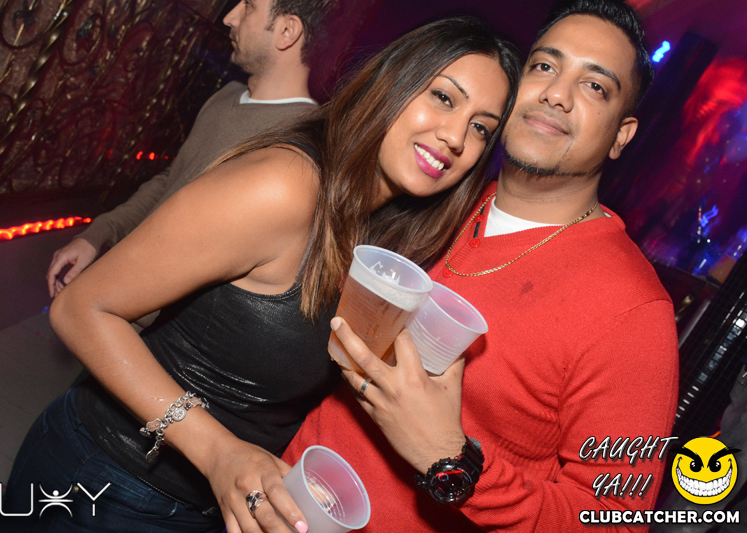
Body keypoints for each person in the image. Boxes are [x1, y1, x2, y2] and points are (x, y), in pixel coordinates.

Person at [0, 17, 521, 533]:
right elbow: (81, 308)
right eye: (443, 97)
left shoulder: (380, 230)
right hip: (105, 479)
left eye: (481, 127)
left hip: (203, 505)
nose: (456, 137)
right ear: (391, 83)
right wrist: (218, 451)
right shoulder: (286, 187)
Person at [284, 1, 680, 531]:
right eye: (544, 66)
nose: (556, 94)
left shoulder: (634, 312)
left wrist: (451, 460)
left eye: (594, 86)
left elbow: (613, 518)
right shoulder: (439, 190)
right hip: (282, 498)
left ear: (621, 135)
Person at [46, 0, 333, 298]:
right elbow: (172, 182)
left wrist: (101, 302)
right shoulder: (226, 96)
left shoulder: (301, 143)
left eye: (248, 5)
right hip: (118, 288)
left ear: (287, 31)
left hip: (149, 314)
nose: (229, 18)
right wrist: (98, 235)